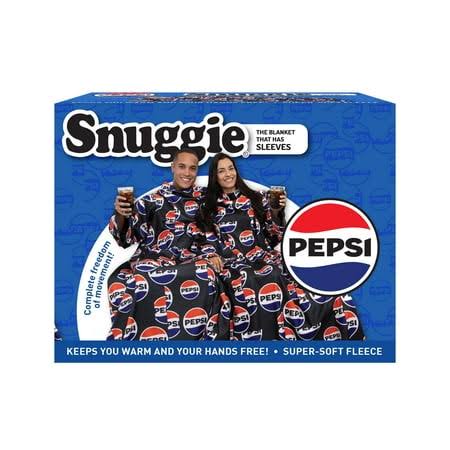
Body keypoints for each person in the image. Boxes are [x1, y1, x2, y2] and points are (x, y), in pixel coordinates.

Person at [198, 153, 364, 341]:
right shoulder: (207, 205)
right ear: (215, 176)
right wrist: (211, 255)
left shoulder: (257, 197)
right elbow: (205, 237)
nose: (228, 174)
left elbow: (274, 235)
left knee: (309, 276)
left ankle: (321, 329)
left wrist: (277, 212)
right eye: (221, 171)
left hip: (263, 255)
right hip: (232, 261)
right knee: (257, 278)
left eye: (231, 168)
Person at [107, 148, 229, 341]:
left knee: (206, 275)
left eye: (192, 168)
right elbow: (125, 237)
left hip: (192, 261)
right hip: (154, 260)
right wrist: (121, 214)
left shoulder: (207, 200)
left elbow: (216, 230)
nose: (187, 173)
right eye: (182, 166)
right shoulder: (152, 201)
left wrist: (211, 253)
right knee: (132, 281)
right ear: (172, 167)